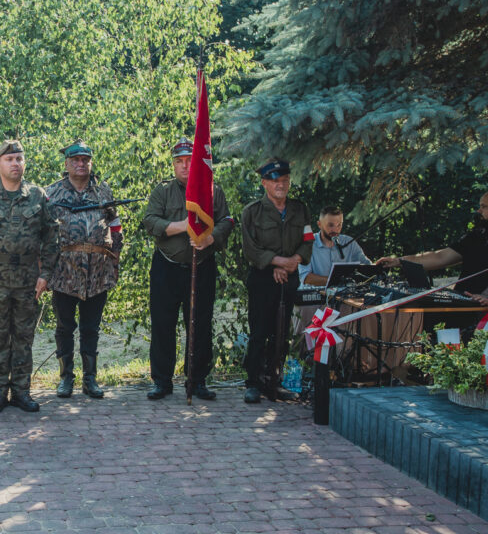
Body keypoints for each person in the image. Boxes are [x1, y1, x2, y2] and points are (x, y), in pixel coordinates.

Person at [0, 139, 59, 413]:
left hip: (29, 279)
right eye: (9, 159)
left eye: (19, 159)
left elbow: (52, 236)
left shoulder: (38, 196)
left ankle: (21, 392)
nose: (15, 164)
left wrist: (46, 274)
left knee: (23, 339)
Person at [142, 139, 234, 401]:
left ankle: (198, 380)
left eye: (189, 161)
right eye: (180, 161)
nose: (185, 166)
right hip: (166, 267)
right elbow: (150, 221)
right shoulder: (163, 191)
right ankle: (162, 381)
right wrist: (183, 226)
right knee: (163, 324)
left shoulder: (212, 191)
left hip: (201, 266)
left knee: (199, 325)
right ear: (173, 165)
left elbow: (227, 220)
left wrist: (209, 238)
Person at [46, 141, 121, 399]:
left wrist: (116, 261)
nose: (80, 164)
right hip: (64, 272)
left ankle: (90, 379)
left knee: (91, 327)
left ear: (90, 162)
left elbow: (116, 227)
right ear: (66, 164)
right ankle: (66, 378)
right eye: (75, 160)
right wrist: (42, 270)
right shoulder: (51, 193)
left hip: (98, 272)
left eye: (85, 160)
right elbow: (42, 235)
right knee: (65, 327)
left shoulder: (103, 191)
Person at [378, 188, 488, 334]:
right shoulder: (476, 235)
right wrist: (399, 261)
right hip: (460, 306)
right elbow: (440, 257)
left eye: (484, 206)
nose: (478, 211)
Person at [240, 158, 313, 404]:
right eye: (274, 181)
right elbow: (250, 249)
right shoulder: (252, 212)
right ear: (264, 184)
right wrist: (277, 262)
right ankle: (253, 383)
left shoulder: (299, 209)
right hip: (262, 277)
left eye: (284, 181)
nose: (280, 186)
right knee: (260, 331)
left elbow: (308, 239)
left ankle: (275, 380)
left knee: (282, 333)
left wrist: (294, 260)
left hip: (289, 276)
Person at [298, 205, 371, 286]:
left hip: (344, 296)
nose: (335, 230)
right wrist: (339, 281)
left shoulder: (350, 243)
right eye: (330, 225)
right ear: (319, 224)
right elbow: (305, 277)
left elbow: (368, 268)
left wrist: (381, 266)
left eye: (339, 225)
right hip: (314, 295)